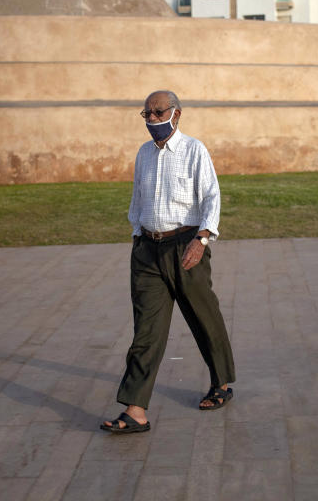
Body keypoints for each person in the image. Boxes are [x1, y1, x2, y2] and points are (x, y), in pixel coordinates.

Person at [101, 90, 236, 434]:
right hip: (147, 249)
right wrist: (136, 235)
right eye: (146, 114)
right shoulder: (144, 154)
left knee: (203, 316)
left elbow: (211, 196)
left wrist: (202, 239)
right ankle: (135, 410)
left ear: (177, 114)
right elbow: (138, 197)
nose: (152, 119)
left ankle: (220, 382)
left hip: (186, 247)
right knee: (146, 331)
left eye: (159, 112)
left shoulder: (194, 150)